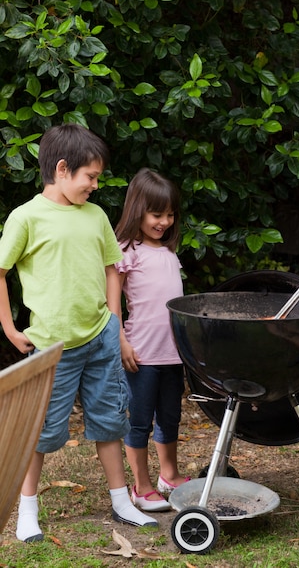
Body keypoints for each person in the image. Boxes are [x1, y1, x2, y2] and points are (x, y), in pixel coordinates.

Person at [0, 124, 158, 543]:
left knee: (109, 421)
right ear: (63, 169)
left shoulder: (96, 216)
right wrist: (9, 327)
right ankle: (27, 510)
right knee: (42, 431)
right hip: (51, 345)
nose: (95, 185)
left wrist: (112, 320)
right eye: (90, 176)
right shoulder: (26, 216)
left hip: (100, 338)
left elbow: (111, 268)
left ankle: (122, 501)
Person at [114, 168, 190, 513]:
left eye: (170, 214)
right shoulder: (125, 250)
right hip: (141, 354)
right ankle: (141, 485)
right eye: (157, 214)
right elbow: (110, 302)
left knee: (170, 417)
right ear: (137, 210)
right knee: (140, 421)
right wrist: (121, 341)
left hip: (173, 355)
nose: (164, 221)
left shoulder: (169, 254)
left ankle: (169, 475)